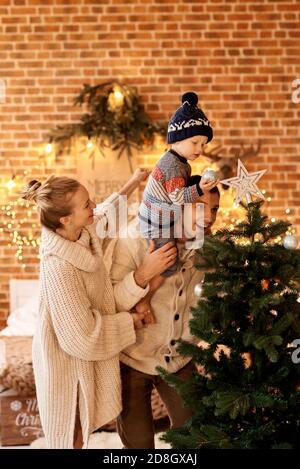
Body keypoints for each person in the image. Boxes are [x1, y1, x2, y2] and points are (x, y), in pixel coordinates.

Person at [21, 169, 156, 449]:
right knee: (71, 433)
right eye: (86, 204)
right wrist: (131, 321)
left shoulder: (82, 232)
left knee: (84, 426)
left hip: (81, 350)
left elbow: (107, 212)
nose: (93, 206)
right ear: (65, 218)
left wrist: (134, 180)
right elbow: (81, 336)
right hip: (64, 357)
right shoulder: (58, 265)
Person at [110, 180, 220, 449]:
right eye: (199, 206)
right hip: (132, 357)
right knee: (138, 444)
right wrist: (142, 275)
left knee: (196, 438)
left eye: (215, 209)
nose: (208, 217)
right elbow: (111, 303)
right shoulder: (133, 238)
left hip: (180, 358)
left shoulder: (210, 248)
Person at [138, 91, 218, 322]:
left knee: (184, 241)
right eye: (195, 142)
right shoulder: (173, 166)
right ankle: (144, 301)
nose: (199, 149)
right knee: (169, 261)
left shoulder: (179, 163)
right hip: (155, 220)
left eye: (203, 144)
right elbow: (176, 197)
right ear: (176, 139)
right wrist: (201, 189)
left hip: (163, 216)